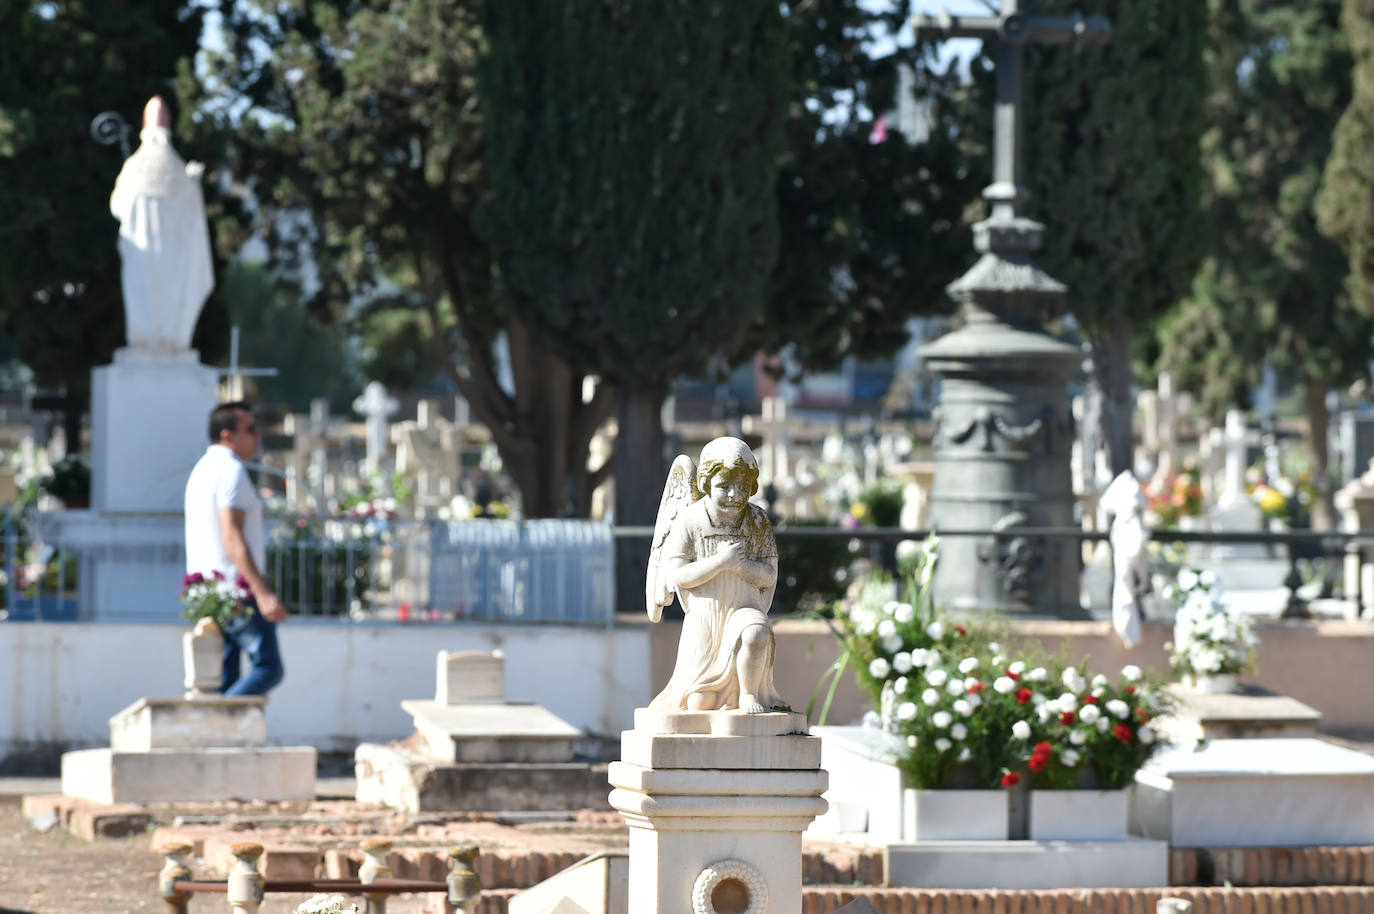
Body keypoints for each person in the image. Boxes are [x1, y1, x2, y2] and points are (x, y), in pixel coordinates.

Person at [648, 437, 786, 714]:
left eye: (743, 487)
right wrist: (719, 563)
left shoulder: (757, 521)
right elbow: (678, 576)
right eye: (724, 486)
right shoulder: (690, 520)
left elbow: (769, 575)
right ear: (706, 483)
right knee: (700, 704)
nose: (735, 494)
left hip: (745, 605)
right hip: (706, 615)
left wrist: (742, 566)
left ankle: (749, 694)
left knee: (756, 632)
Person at [184, 401, 287, 695]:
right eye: (251, 429)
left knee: (224, 677)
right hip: (236, 589)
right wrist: (263, 593)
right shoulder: (231, 471)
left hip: (208, 592)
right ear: (228, 435)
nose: (258, 436)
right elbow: (232, 536)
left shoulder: (201, 470)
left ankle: (218, 735)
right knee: (268, 667)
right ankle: (220, 723)